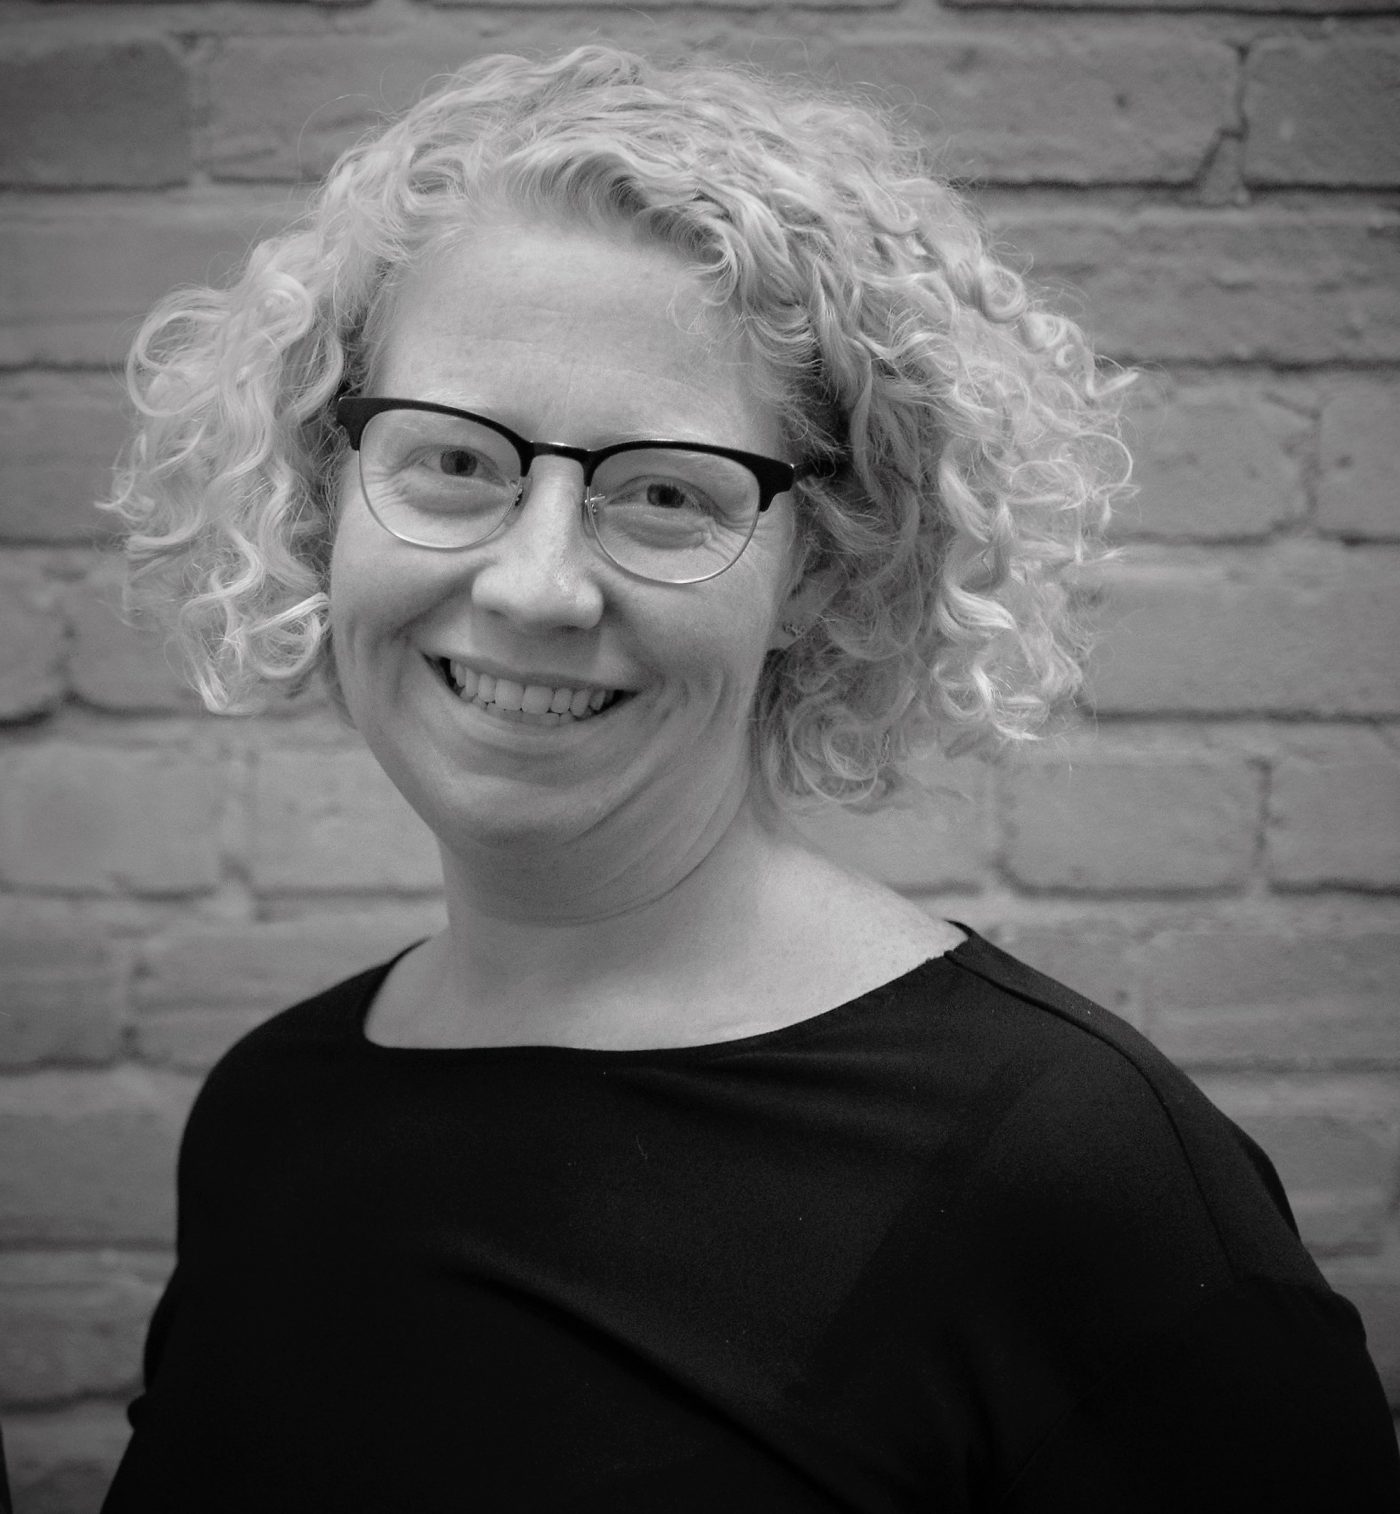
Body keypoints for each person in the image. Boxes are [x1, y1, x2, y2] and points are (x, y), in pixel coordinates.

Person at [99, 45, 1398, 1512]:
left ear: (820, 569)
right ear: (327, 490)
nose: (533, 585)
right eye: (451, 461)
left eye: (666, 492)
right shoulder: (269, 1111)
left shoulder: (1078, 1176)